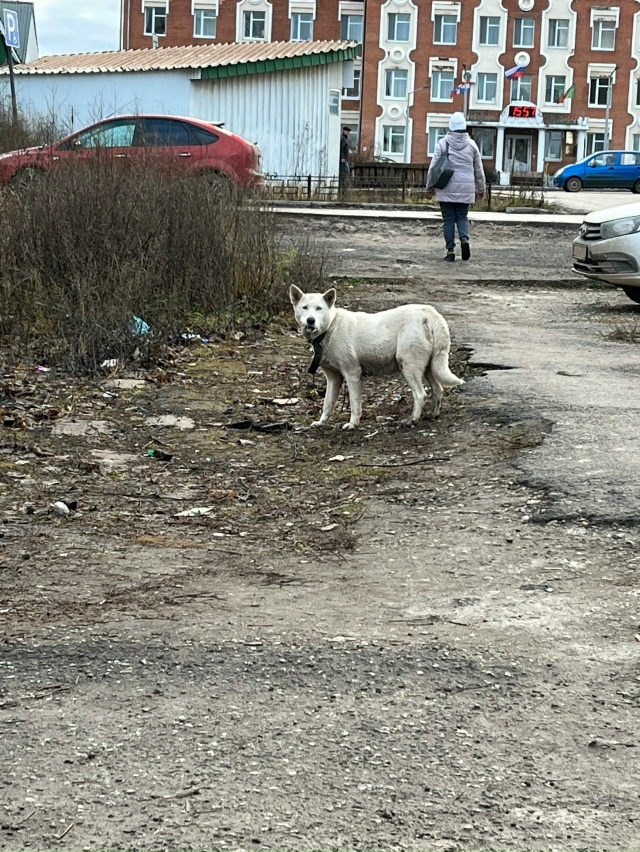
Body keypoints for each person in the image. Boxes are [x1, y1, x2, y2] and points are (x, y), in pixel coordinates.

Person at [426, 112, 486, 262]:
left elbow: (433, 168)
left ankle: (450, 251)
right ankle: (464, 240)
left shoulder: (443, 143)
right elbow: (479, 169)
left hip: (445, 187)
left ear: (451, 127)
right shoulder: (472, 145)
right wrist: (481, 189)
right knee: (462, 217)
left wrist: (430, 186)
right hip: (465, 189)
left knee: (448, 220)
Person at [339, 125, 352, 195]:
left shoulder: (345, 139)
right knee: (344, 173)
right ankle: (343, 189)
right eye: (347, 131)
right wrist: (342, 158)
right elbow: (342, 149)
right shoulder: (343, 139)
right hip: (343, 160)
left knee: (346, 173)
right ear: (344, 131)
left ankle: (344, 189)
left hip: (344, 159)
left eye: (348, 132)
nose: (348, 133)